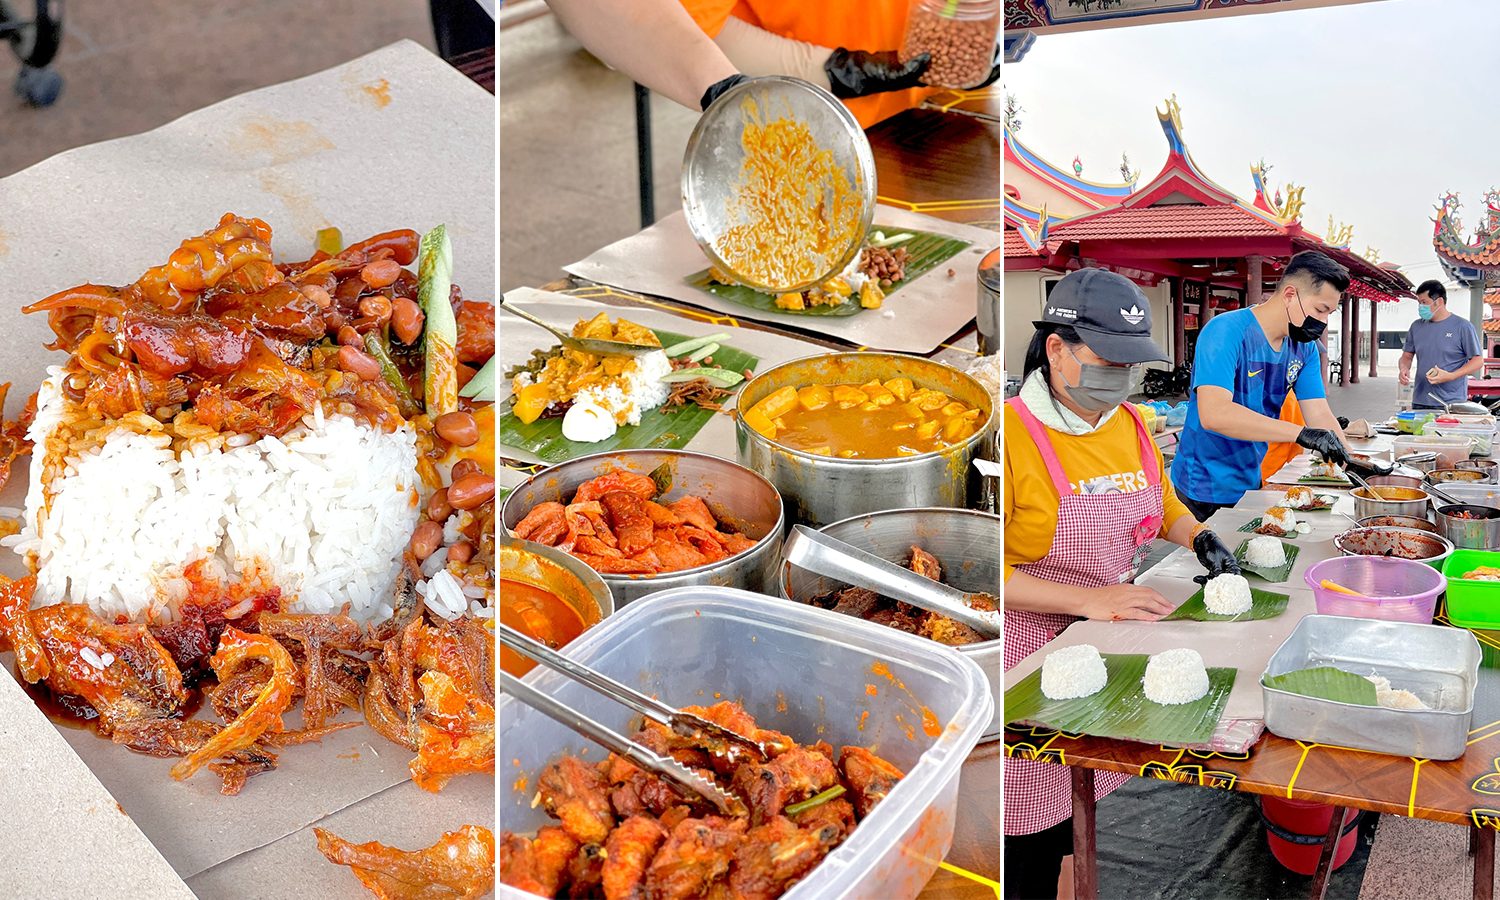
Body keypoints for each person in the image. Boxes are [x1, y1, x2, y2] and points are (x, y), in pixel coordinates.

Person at [1003, 267, 1241, 900]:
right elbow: (979, 578)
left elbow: (1159, 503)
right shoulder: (1011, 437)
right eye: (1110, 360)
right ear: (1057, 350)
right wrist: (1087, 599)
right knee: (1027, 829)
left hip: (1106, 641)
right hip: (1026, 652)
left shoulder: (1130, 422)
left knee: (1078, 807)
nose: (1122, 378)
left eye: (1132, 365)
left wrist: (1197, 536)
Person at [1170, 251, 1355, 522]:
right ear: (1290, 295)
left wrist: (1351, 460)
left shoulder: (1305, 348)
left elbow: (1319, 412)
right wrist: (1301, 434)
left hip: (1252, 474)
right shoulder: (1225, 331)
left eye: (1330, 313)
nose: (1324, 322)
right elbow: (1214, 414)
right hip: (1203, 482)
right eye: (1319, 310)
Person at [677, 0, 999, 127]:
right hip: (799, 130)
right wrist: (835, 71)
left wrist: (991, 35)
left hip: (933, 120)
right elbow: (683, 31)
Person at [1399, 280, 1483, 410]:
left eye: (1424, 302)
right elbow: (1407, 356)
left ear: (1438, 302)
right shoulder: (1416, 326)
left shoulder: (1463, 327)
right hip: (1420, 400)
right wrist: (1404, 369)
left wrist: (1451, 376)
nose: (1420, 307)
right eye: (1419, 303)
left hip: (1451, 402)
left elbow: (1477, 361)